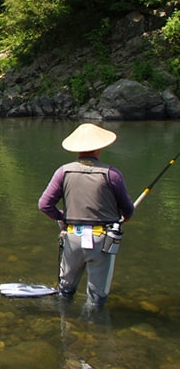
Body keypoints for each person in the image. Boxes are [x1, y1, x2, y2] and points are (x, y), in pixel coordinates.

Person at [38, 123, 134, 314]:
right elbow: (128, 211)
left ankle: (65, 326)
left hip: (72, 237)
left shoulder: (63, 172)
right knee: (96, 299)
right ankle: (92, 335)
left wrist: (62, 218)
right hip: (102, 241)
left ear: (77, 149)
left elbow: (44, 205)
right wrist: (123, 216)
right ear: (99, 147)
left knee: (64, 292)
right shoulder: (112, 174)